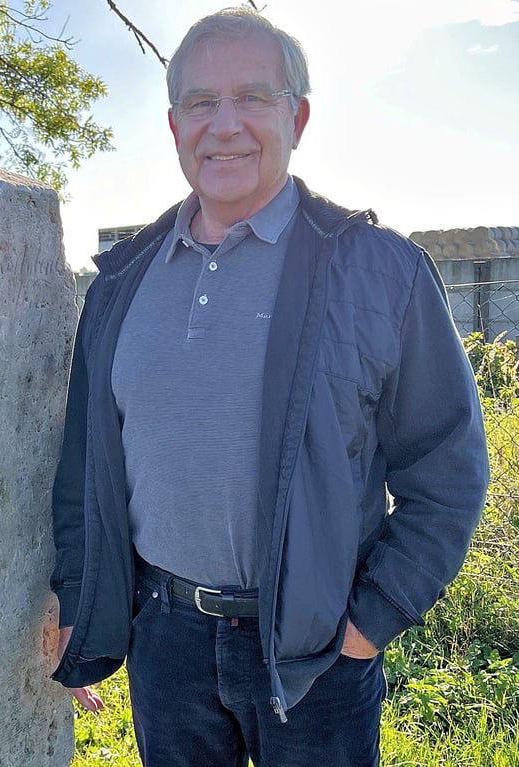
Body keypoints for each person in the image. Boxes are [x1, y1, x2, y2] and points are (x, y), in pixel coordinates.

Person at [50, 7, 489, 766]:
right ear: (173, 125)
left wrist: (369, 619)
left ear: (300, 116)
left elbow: (448, 469)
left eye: (253, 97)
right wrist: (78, 595)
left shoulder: (377, 270)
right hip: (167, 642)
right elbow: (84, 466)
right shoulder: (121, 284)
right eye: (202, 102)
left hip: (315, 649)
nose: (226, 125)